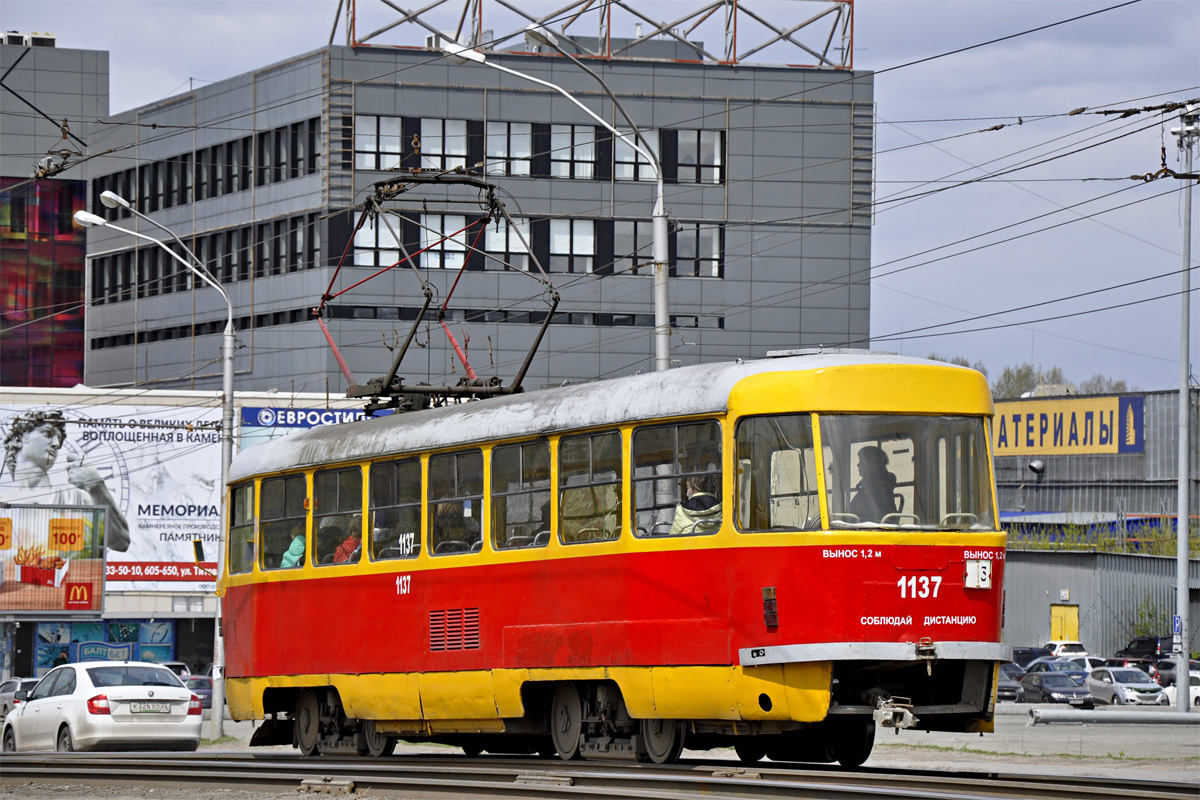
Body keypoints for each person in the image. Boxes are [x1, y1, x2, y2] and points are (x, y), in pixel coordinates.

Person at [1, 410, 130, 551]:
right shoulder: (2, 503)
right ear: (18, 440)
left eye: (59, 439)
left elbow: (121, 542)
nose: (56, 444)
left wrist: (96, 486)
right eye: (47, 434)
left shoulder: (76, 498)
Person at [848, 445, 897, 523]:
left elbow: (874, 520)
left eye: (862, 461)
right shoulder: (868, 487)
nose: (858, 465)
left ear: (874, 465)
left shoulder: (880, 489)